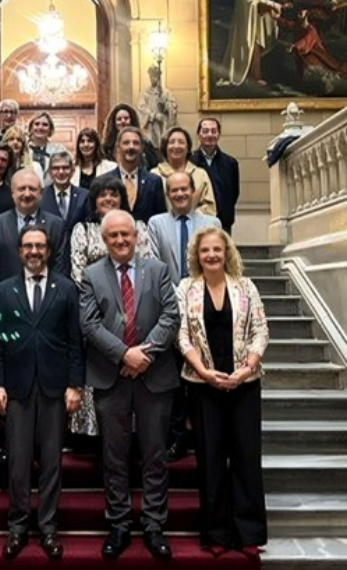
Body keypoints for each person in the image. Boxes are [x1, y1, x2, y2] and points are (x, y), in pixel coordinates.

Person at [80, 210, 179, 561]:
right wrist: (125, 355)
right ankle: (119, 524)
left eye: (126, 234)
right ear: (104, 240)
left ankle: (154, 524)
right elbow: (89, 324)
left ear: (137, 236)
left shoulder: (159, 270)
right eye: (113, 236)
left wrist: (144, 355)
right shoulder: (91, 275)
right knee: (115, 456)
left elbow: (171, 315)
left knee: (154, 454)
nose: (120, 241)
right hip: (112, 376)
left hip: (154, 376)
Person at [0, 225, 84, 561]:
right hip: (17, 388)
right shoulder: (3, 290)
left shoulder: (67, 289)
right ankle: (17, 526)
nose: (33, 251)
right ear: (19, 251)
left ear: (48, 250)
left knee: (53, 462)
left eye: (39, 246)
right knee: (18, 462)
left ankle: (48, 527)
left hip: (56, 388)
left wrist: (75, 385)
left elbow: (75, 341)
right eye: (28, 245)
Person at [175, 227, 269, 559]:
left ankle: (248, 533)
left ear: (226, 252)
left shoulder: (245, 286)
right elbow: (183, 336)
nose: (211, 255)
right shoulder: (187, 288)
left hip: (244, 385)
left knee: (245, 457)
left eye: (217, 249)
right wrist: (203, 371)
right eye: (205, 251)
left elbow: (260, 330)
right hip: (204, 387)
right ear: (196, 256)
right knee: (211, 460)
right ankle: (215, 531)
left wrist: (246, 369)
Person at [67, 177, 155, 452]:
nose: (108, 199)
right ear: (93, 200)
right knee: (99, 371)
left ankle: (130, 432)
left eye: (113, 195)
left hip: (134, 309)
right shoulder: (83, 229)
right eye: (102, 195)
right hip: (95, 309)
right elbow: (77, 270)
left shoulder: (139, 227)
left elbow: (149, 264)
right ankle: (91, 435)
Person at [147, 171, 222, 462]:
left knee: (204, 375)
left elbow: (219, 261)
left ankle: (207, 438)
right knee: (175, 380)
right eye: (174, 190)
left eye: (184, 189)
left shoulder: (211, 224)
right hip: (170, 309)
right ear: (168, 194)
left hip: (206, 309)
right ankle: (177, 437)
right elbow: (154, 263)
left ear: (193, 191)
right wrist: (177, 296)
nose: (179, 194)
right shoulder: (156, 223)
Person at [0, 169, 69, 289]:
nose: (27, 194)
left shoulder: (56, 225)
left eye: (32, 189)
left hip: (45, 298)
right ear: (12, 193)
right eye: (21, 189)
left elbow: (60, 268)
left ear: (41, 193)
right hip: (6, 298)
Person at [222, 0, 288, 86]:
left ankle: (255, 78)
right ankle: (247, 76)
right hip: (245, 29)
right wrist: (265, 6)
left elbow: (263, 1)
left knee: (255, 52)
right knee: (248, 49)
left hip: (253, 28)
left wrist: (278, 5)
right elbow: (252, 4)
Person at [100, 127, 167, 224]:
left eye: (136, 143)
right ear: (118, 147)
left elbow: (161, 218)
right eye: (126, 143)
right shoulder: (104, 181)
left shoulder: (154, 181)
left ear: (142, 147)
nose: (131, 147)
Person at [190, 117, 241, 235]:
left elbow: (234, 193)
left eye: (213, 131)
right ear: (198, 134)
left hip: (223, 223)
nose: (209, 135)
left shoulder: (230, 163)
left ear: (219, 135)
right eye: (205, 131)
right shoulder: (189, 162)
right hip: (195, 221)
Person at [153, 126, 218, 218]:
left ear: (188, 148)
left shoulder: (200, 174)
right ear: (165, 147)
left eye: (181, 142)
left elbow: (209, 207)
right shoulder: (154, 175)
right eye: (171, 142)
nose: (176, 146)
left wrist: (188, 218)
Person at [40, 151, 90, 229]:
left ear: (72, 171)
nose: (61, 172)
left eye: (65, 168)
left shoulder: (84, 196)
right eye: (56, 168)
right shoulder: (40, 196)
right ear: (49, 172)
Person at [101, 103, 160, 168]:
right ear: (113, 123)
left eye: (126, 118)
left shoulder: (145, 144)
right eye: (119, 119)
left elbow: (154, 166)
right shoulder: (106, 148)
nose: (123, 121)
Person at [137, 64, 178, 147]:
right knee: (151, 145)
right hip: (150, 124)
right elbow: (141, 107)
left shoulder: (165, 92)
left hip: (162, 125)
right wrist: (154, 115)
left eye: (155, 76)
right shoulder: (145, 93)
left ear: (158, 77)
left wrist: (166, 105)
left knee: (163, 143)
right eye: (151, 76)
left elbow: (172, 107)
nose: (153, 78)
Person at [26, 111, 69, 184]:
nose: (40, 127)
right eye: (37, 124)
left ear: (50, 129)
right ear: (31, 127)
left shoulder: (59, 149)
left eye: (45, 125)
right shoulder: (23, 149)